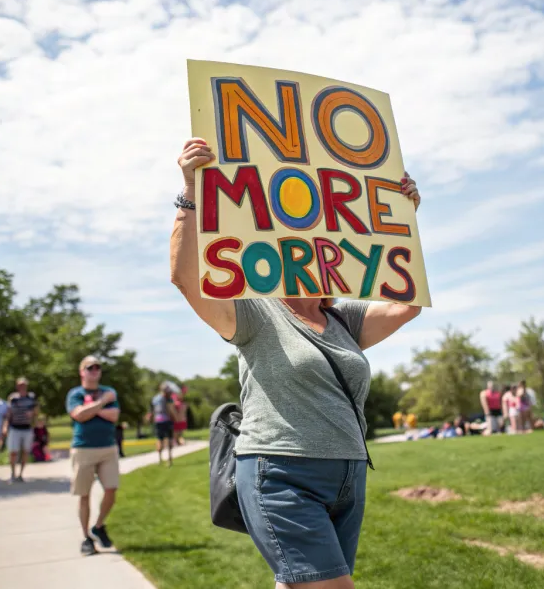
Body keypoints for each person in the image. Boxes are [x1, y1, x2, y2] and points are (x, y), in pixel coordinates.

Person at [171, 137, 422, 588]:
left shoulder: (343, 318)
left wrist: (401, 220)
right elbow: (186, 279)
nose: (309, 252)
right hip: (281, 474)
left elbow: (407, 303)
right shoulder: (257, 312)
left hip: (347, 478)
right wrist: (190, 192)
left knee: (295, 584)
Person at [66, 355, 121, 556]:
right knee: (84, 495)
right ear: (82, 371)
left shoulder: (109, 392)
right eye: (90, 367)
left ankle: (98, 526)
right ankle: (86, 538)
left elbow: (114, 416)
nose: (95, 370)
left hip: (108, 448)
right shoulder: (75, 393)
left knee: (111, 490)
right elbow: (78, 415)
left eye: (97, 367)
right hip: (83, 448)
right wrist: (102, 404)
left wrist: (92, 408)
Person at [6, 377, 39, 483]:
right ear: (17, 386)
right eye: (20, 385)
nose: (22, 387)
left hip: (27, 428)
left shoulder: (31, 397)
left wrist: (32, 413)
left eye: (24, 385)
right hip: (14, 428)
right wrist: (5, 427)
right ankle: (13, 474)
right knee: (13, 452)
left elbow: (37, 411)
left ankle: (21, 474)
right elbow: (8, 414)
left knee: (25, 452)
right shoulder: (12, 398)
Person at [150, 383, 177, 466]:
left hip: (158, 420)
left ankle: (160, 459)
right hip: (167, 420)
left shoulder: (155, 399)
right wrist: (175, 418)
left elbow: (153, 411)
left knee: (159, 439)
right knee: (169, 439)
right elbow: (170, 410)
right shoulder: (168, 399)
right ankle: (169, 460)